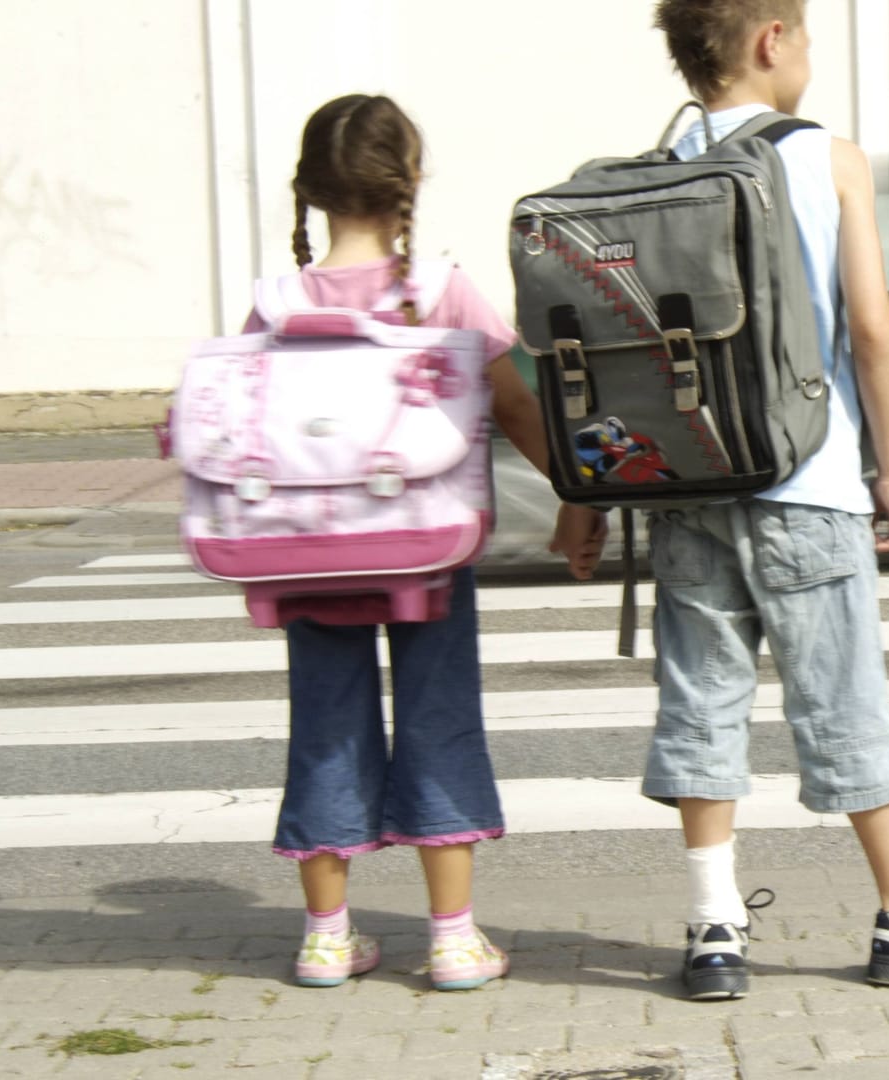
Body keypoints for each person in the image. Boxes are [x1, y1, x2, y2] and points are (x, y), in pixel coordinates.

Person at [645, 0, 889, 998]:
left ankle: (714, 927)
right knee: (843, 703)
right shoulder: (828, 158)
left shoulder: (653, 167)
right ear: (773, 41)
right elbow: (872, 328)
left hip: (687, 489)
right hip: (806, 480)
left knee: (702, 703)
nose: (809, 53)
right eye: (805, 35)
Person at [253, 94, 609, 990]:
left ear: (309, 189)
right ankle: (451, 938)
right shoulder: (441, 291)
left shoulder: (276, 302)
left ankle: (328, 938)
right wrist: (577, 499)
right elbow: (518, 403)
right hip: (430, 554)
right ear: (410, 181)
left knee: (326, 727)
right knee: (439, 717)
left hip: (309, 554)